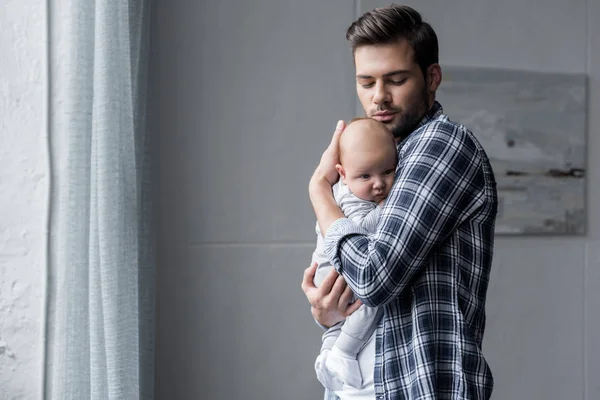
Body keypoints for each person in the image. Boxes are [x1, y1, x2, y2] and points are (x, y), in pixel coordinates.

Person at [301, 4, 498, 400]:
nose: (379, 98)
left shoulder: (441, 144)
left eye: (396, 79)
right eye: (366, 81)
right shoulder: (383, 159)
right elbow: (360, 291)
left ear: (432, 78)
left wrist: (320, 192)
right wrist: (329, 314)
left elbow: (374, 276)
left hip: (422, 387)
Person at [312, 118, 397, 397]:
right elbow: (357, 230)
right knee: (371, 302)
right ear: (343, 174)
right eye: (366, 176)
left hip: (333, 277)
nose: (379, 184)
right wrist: (386, 210)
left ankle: (328, 356)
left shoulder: (353, 188)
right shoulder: (348, 198)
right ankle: (344, 353)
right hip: (333, 274)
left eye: (387, 171)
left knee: (337, 322)